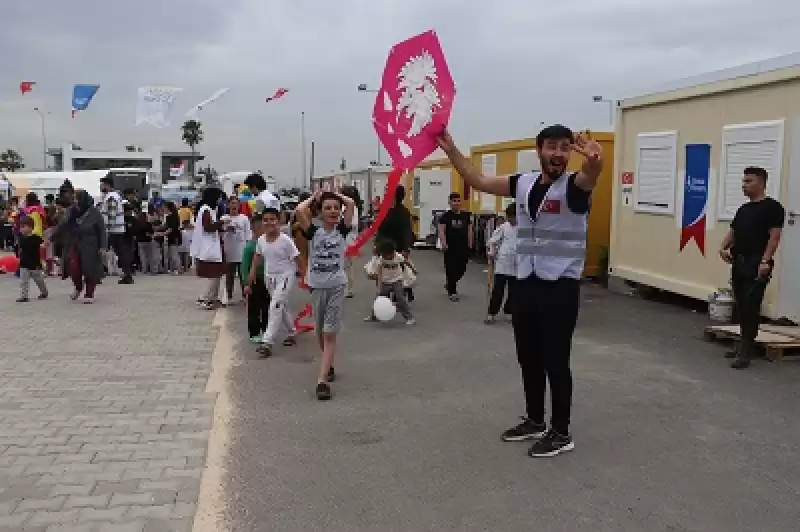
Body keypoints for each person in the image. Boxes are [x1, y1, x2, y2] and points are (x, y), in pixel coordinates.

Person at [437, 124, 603, 458]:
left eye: (564, 148)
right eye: (551, 147)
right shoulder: (523, 183)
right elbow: (479, 181)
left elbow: (591, 174)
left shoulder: (574, 187)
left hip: (560, 287)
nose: (557, 154)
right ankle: (535, 420)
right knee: (528, 358)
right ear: (539, 149)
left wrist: (596, 161)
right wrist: (452, 149)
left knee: (555, 361)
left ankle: (560, 431)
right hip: (525, 282)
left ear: (571, 152)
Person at [719, 166, 785, 369]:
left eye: (749, 181)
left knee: (750, 306)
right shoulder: (744, 209)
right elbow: (734, 230)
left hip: (757, 263)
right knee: (740, 305)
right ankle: (742, 344)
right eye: (743, 181)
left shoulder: (773, 208)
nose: (744, 185)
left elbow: (774, 237)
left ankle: (746, 352)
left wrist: (765, 261)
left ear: (761, 183)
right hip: (739, 261)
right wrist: (723, 247)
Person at [295, 190, 355, 401]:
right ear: (320, 212)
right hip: (317, 287)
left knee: (330, 333)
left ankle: (322, 380)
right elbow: (299, 210)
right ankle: (328, 364)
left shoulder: (342, 231)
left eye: (336, 208)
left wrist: (334, 194)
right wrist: (316, 197)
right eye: (327, 208)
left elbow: (351, 203)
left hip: (337, 286)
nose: (333, 211)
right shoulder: (313, 232)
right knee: (321, 332)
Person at [249, 207, 301, 358]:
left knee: (275, 306)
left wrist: (305, 275)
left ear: (279, 221)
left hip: (285, 276)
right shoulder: (261, 240)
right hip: (269, 277)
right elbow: (257, 256)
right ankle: (292, 332)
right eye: (266, 220)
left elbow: (296, 258)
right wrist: (252, 272)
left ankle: (267, 342)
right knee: (280, 306)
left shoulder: (285, 240)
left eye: (272, 219)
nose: (269, 222)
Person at [49, 189, 107, 304]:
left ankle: (89, 293)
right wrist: (50, 238)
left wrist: (103, 247)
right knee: (73, 267)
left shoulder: (94, 212)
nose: (74, 200)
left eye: (76, 198)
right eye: (74, 198)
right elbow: (62, 225)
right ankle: (78, 287)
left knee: (90, 269)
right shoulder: (71, 211)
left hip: (90, 244)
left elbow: (101, 230)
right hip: (73, 242)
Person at [190, 187, 228, 310]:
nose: (220, 200)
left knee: (218, 273)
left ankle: (213, 297)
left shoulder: (211, 210)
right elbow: (208, 227)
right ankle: (206, 297)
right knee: (214, 273)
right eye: (219, 198)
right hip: (209, 246)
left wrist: (224, 228)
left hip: (213, 244)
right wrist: (222, 222)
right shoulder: (205, 209)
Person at [377, 184, 415, 302]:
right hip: (385, 246)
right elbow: (380, 229)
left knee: (397, 272)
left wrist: (406, 249)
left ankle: (401, 294)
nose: (385, 192)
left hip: (398, 247)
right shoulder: (384, 209)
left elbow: (406, 231)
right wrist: (377, 245)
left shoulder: (403, 212)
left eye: (388, 190)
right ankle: (387, 296)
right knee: (385, 272)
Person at [365, 239, 415, 325]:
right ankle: (374, 316)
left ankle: (409, 317)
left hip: (397, 280)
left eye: (387, 255)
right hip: (385, 281)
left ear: (392, 252)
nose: (386, 257)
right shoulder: (381, 260)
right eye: (383, 255)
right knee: (379, 299)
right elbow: (379, 274)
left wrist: (413, 269)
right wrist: (379, 287)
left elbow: (405, 262)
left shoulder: (398, 256)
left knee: (400, 298)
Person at [485, 202, 518, 324]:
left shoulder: (525, 228)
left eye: (513, 217)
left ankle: (509, 310)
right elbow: (492, 241)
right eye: (509, 217)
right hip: (503, 263)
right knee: (498, 290)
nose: (511, 220)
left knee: (514, 291)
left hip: (517, 264)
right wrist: (492, 251)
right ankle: (491, 313)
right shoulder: (504, 227)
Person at [438, 192, 472, 301]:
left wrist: (470, 243)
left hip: (462, 245)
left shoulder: (466, 215)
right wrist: (444, 243)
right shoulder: (445, 216)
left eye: (458, 201)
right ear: (450, 202)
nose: (456, 203)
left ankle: (450, 283)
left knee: (462, 268)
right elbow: (441, 230)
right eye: (454, 201)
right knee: (451, 268)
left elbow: (469, 230)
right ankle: (453, 291)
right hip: (450, 246)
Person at [99, 176, 133, 284]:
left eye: (102, 184)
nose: (100, 186)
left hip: (112, 230)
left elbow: (112, 215)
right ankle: (127, 275)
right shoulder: (114, 196)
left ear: (107, 185)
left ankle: (95, 275)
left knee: (100, 250)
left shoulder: (111, 197)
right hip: (117, 229)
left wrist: (107, 230)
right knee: (121, 253)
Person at [241, 215, 269, 343]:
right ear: (256, 229)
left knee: (266, 307)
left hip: (267, 280)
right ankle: (254, 333)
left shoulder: (266, 244)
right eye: (264, 227)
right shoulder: (250, 247)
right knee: (254, 309)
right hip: (254, 282)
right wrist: (247, 284)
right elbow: (244, 267)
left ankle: (266, 331)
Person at [222, 197, 251, 305]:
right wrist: (226, 229)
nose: (234, 206)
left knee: (243, 275)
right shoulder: (224, 218)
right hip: (229, 251)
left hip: (242, 251)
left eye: (236, 204)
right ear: (228, 205)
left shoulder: (244, 218)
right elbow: (220, 234)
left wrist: (249, 248)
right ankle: (229, 296)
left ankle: (245, 296)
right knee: (229, 276)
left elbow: (248, 234)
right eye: (231, 203)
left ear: (239, 206)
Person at [16, 217, 48, 302]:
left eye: (24, 226)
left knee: (39, 280)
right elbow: (19, 249)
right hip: (24, 263)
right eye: (21, 227)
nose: (22, 229)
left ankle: (44, 292)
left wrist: (45, 243)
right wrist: (18, 257)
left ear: (31, 227)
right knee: (23, 281)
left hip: (34, 263)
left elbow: (43, 244)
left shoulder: (36, 238)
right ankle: (24, 296)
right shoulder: (21, 238)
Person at [339, 186, 363, 298]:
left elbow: (353, 224)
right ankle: (345, 288)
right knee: (344, 265)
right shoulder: (344, 207)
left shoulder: (352, 208)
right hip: (344, 238)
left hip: (349, 238)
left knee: (348, 265)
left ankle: (349, 289)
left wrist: (343, 222)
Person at [161, 201, 182, 274]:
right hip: (171, 237)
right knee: (171, 254)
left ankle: (179, 269)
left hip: (174, 237)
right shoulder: (169, 216)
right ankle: (173, 269)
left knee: (174, 254)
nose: (163, 208)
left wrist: (162, 234)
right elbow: (166, 226)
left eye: (164, 207)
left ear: (168, 208)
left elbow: (170, 228)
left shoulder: (172, 216)